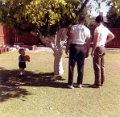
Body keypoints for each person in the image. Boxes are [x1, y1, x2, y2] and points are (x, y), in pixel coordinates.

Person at [65, 15, 91, 89]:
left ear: (78, 20)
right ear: (84, 21)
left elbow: (70, 38)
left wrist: (67, 48)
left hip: (74, 47)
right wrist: (87, 51)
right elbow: (88, 42)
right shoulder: (87, 30)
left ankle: (70, 84)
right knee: (81, 66)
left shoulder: (74, 27)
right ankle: (79, 83)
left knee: (71, 66)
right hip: (82, 47)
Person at [91, 15, 115, 88]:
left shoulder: (97, 29)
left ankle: (97, 83)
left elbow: (96, 40)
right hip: (103, 47)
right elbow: (112, 36)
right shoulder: (105, 29)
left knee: (97, 66)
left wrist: (93, 50)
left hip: (98, 47)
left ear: (96, 21)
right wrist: (105, 42)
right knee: (102, 66)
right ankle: (101, 82)